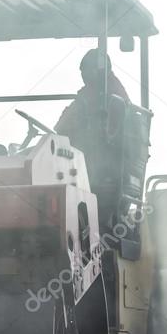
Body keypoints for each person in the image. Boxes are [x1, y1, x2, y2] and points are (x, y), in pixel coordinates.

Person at [55, 49, 131, 224]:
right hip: (102, 160)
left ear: (98, 70)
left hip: (98, 165)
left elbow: (63, 125)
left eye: (85, 72)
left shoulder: (101, 93)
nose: (83, 77)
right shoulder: (107, 90)